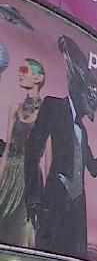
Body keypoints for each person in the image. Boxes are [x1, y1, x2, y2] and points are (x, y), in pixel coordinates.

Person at [25, 36, 97, 260]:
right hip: (54, 199)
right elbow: (33, 149)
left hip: (77, 208)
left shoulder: (82, 130)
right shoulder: (54, 106)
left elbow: (91, 167)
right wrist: (33, 195)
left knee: (74, 259)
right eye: (90, 103)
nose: (89, 111)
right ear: (81, 93)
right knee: (47, 255)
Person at [0, 57, 45, 246]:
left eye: (24, 70)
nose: (20, 73)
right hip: (10, 172)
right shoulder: (14, 109)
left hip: (30, 176)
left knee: (22, 229)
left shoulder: (46, 112)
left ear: (38, 78)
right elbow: (8, 150)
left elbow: (48, 154)